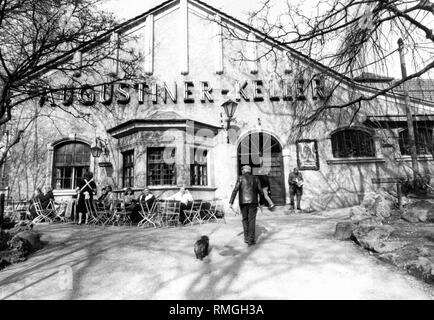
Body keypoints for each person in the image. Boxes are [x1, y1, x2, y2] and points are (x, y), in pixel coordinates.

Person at [229, 165, 263, 247]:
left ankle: (246, 238)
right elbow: (260, 191)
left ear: (245, 170)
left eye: (242, 169)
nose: (241, 171)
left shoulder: (240, 178)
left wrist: (231, 202)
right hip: (253, 202)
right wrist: (261, 202)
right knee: (251, 220)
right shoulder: (255, 178)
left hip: (243, 202)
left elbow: (235, 190)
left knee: (245, 219)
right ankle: (251, 240)